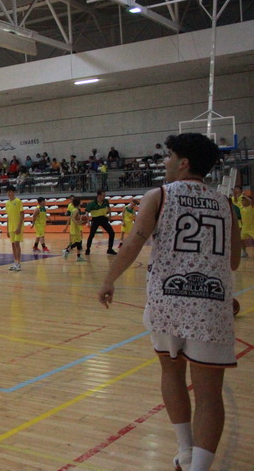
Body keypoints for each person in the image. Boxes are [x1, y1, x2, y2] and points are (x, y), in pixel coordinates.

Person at [97, 133, 240, 471]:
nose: (165, 162)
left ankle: (185, 450)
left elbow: (133, 243)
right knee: (210, 394)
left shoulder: (159, 195)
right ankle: (197, 466)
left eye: (169, 156)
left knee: (172, 374)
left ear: (183, 163)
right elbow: (233, 261)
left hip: (168, 303)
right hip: (212, 306)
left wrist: (108, 280)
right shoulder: (225, 203)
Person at [85, 190, 117, 256]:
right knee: (91, 235)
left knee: (112, 233)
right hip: (95, 219)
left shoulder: (106, 201)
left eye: (104, 195)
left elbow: (109, 208)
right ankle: (88, 249)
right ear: (98, 195)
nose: (104, 197)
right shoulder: (92, 204)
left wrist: (110, 215)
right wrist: (88, 223)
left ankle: (110, 249)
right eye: (103, 195)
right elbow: (86, 213)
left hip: (103, 219)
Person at [5, 186, 24, 271]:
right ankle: (15, 262)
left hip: (17, 227)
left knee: (17, 244)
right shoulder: (7, 203)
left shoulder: (18, 201)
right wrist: (7, 229)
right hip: (11, 227)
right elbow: (8, 217)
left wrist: (19, 226)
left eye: (10, 191)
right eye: (7, 192)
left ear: (13, 192)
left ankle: (19, 263)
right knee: (13, 244)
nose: (8, 193)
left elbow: (22, 214)